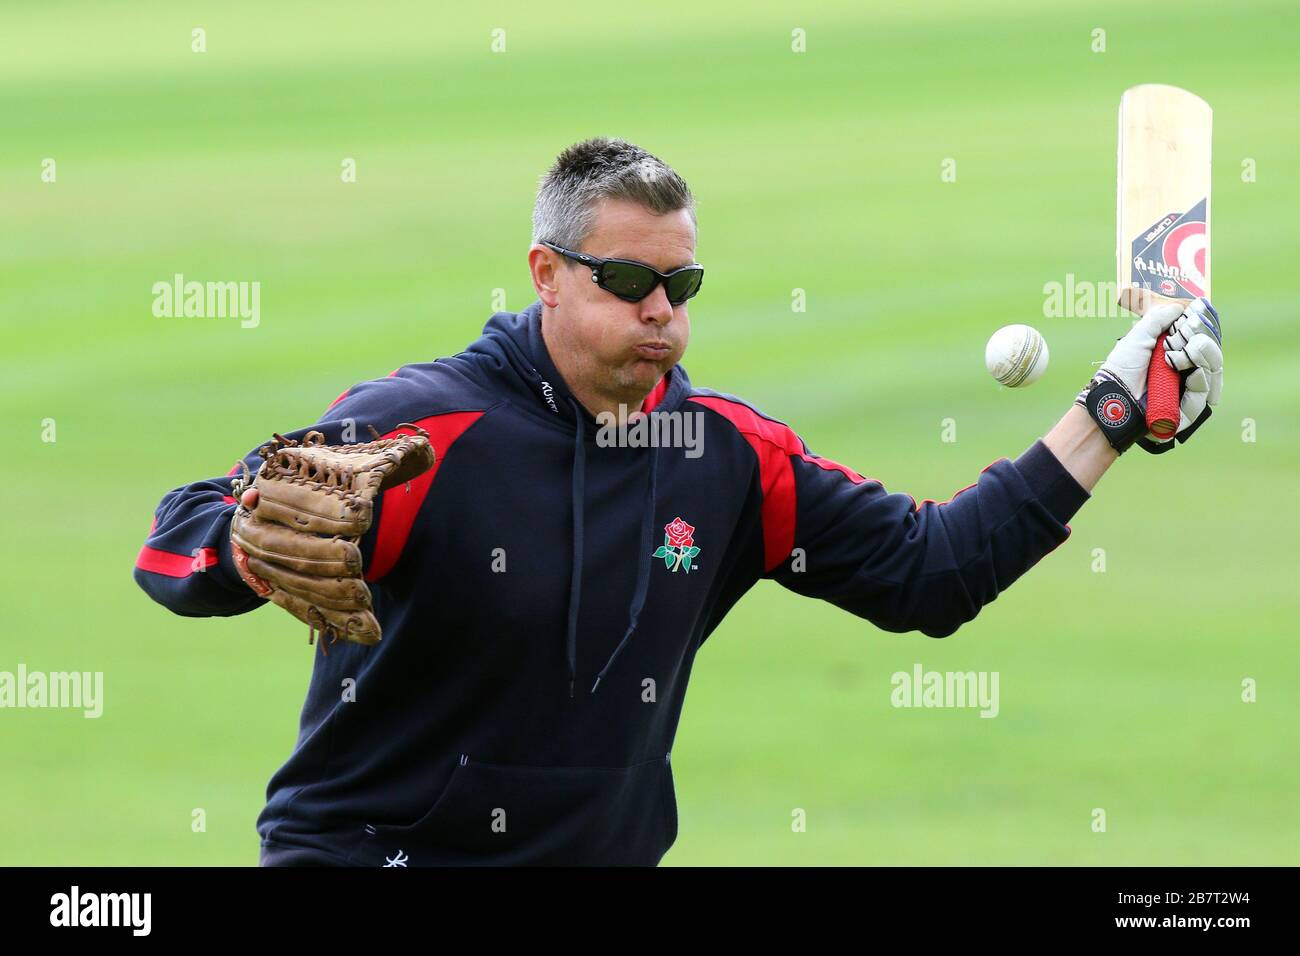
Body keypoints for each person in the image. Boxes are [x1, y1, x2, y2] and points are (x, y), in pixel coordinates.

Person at [133, 137, 1224, 866]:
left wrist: (1109, 416)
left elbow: (927, 574)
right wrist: (239, 541)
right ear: (545, 272)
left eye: (682, 286)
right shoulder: (422, 428)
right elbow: (177, 547)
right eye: (627, 282)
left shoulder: (724, 456)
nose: (660, 309)